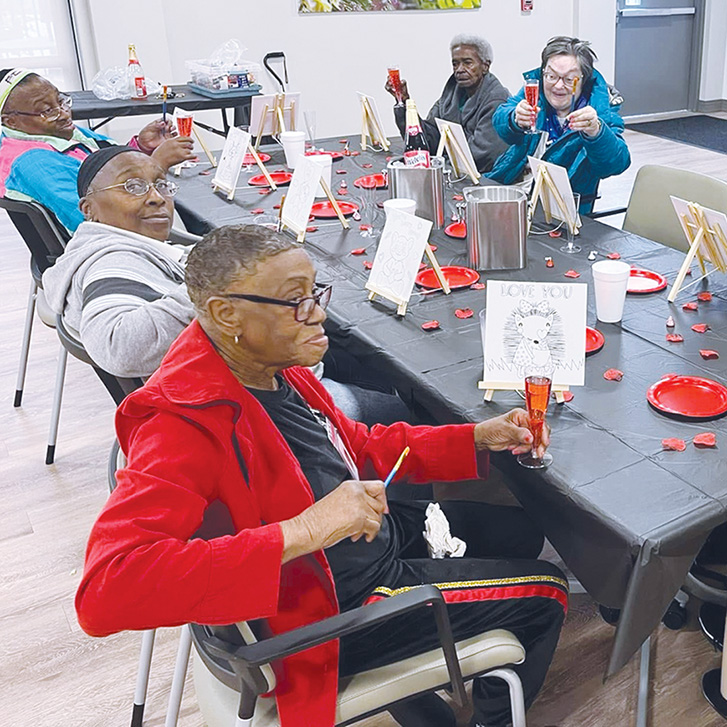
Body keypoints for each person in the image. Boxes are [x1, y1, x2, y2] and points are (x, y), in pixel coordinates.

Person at [75, 223, 567, 727]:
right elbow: (105, 593)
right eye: (296, 302)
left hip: (359, 545)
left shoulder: (264, 365)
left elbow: (356, 445)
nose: (318, 313)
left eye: (314, 293)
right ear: (227, 314)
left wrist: (476, 438)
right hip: (331, 608)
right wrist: (305, 530)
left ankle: (429, 690)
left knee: (521, 530)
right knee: (548, 591)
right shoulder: (184, 423)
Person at [42, 147, 410, 425]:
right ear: (88, 209)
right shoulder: (111, 262)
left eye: (159, 184)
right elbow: (118, 346)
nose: (155, 197)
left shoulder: (136, 244)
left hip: (253, 382)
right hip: (252, 414)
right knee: (406, 407)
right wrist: (222, 277)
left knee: (359, 355)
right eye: (133, 186)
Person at [0, 68, 194, 233]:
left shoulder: (58, 133)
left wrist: (141, 148)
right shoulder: (33, 163)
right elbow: (99, 223)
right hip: (117, 248)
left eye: (61, 101)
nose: (64, 113)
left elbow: (108, 169)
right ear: (11, 121)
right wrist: (155, 167)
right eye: (47, 111)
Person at [487, 36, 630, 213]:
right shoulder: (535, 92)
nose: (558, 85)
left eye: (569, 79)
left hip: (559, 211)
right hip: (512, 189)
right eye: (551, 76)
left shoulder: (599, 112)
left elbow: (616, 164)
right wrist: (514, 118)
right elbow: (500, 119)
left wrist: (596, 132)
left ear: (583, 80)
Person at [385, 34, 509, 173]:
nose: (459, 69)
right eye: (455, 64)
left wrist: (440, 167)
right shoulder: (451, 93)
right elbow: (427, 138)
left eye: (468, 63)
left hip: (483, 178)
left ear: (485, 66)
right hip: (453, 170)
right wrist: (403, 100)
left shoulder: (497, 100)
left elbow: (482, 156)